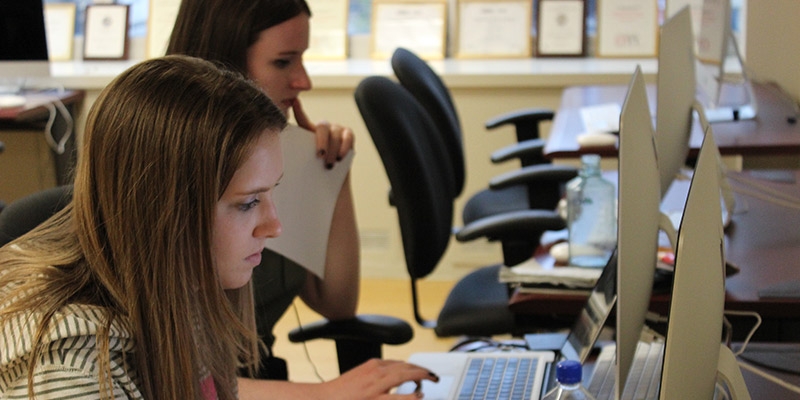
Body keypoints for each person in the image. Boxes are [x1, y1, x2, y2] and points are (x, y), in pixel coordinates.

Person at [0, 55, 436, 399]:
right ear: (164, 212)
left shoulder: (173, 289)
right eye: (248, 204)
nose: (274, 225)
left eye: (271, 195)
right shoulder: (72, 373)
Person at [167, 0, 360, 379]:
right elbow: (179, 380)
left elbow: (336, 303)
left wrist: (332, 174)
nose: (304, 81)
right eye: (283, 62)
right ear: (224, 66)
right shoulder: (167, 174)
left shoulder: (276, 161)